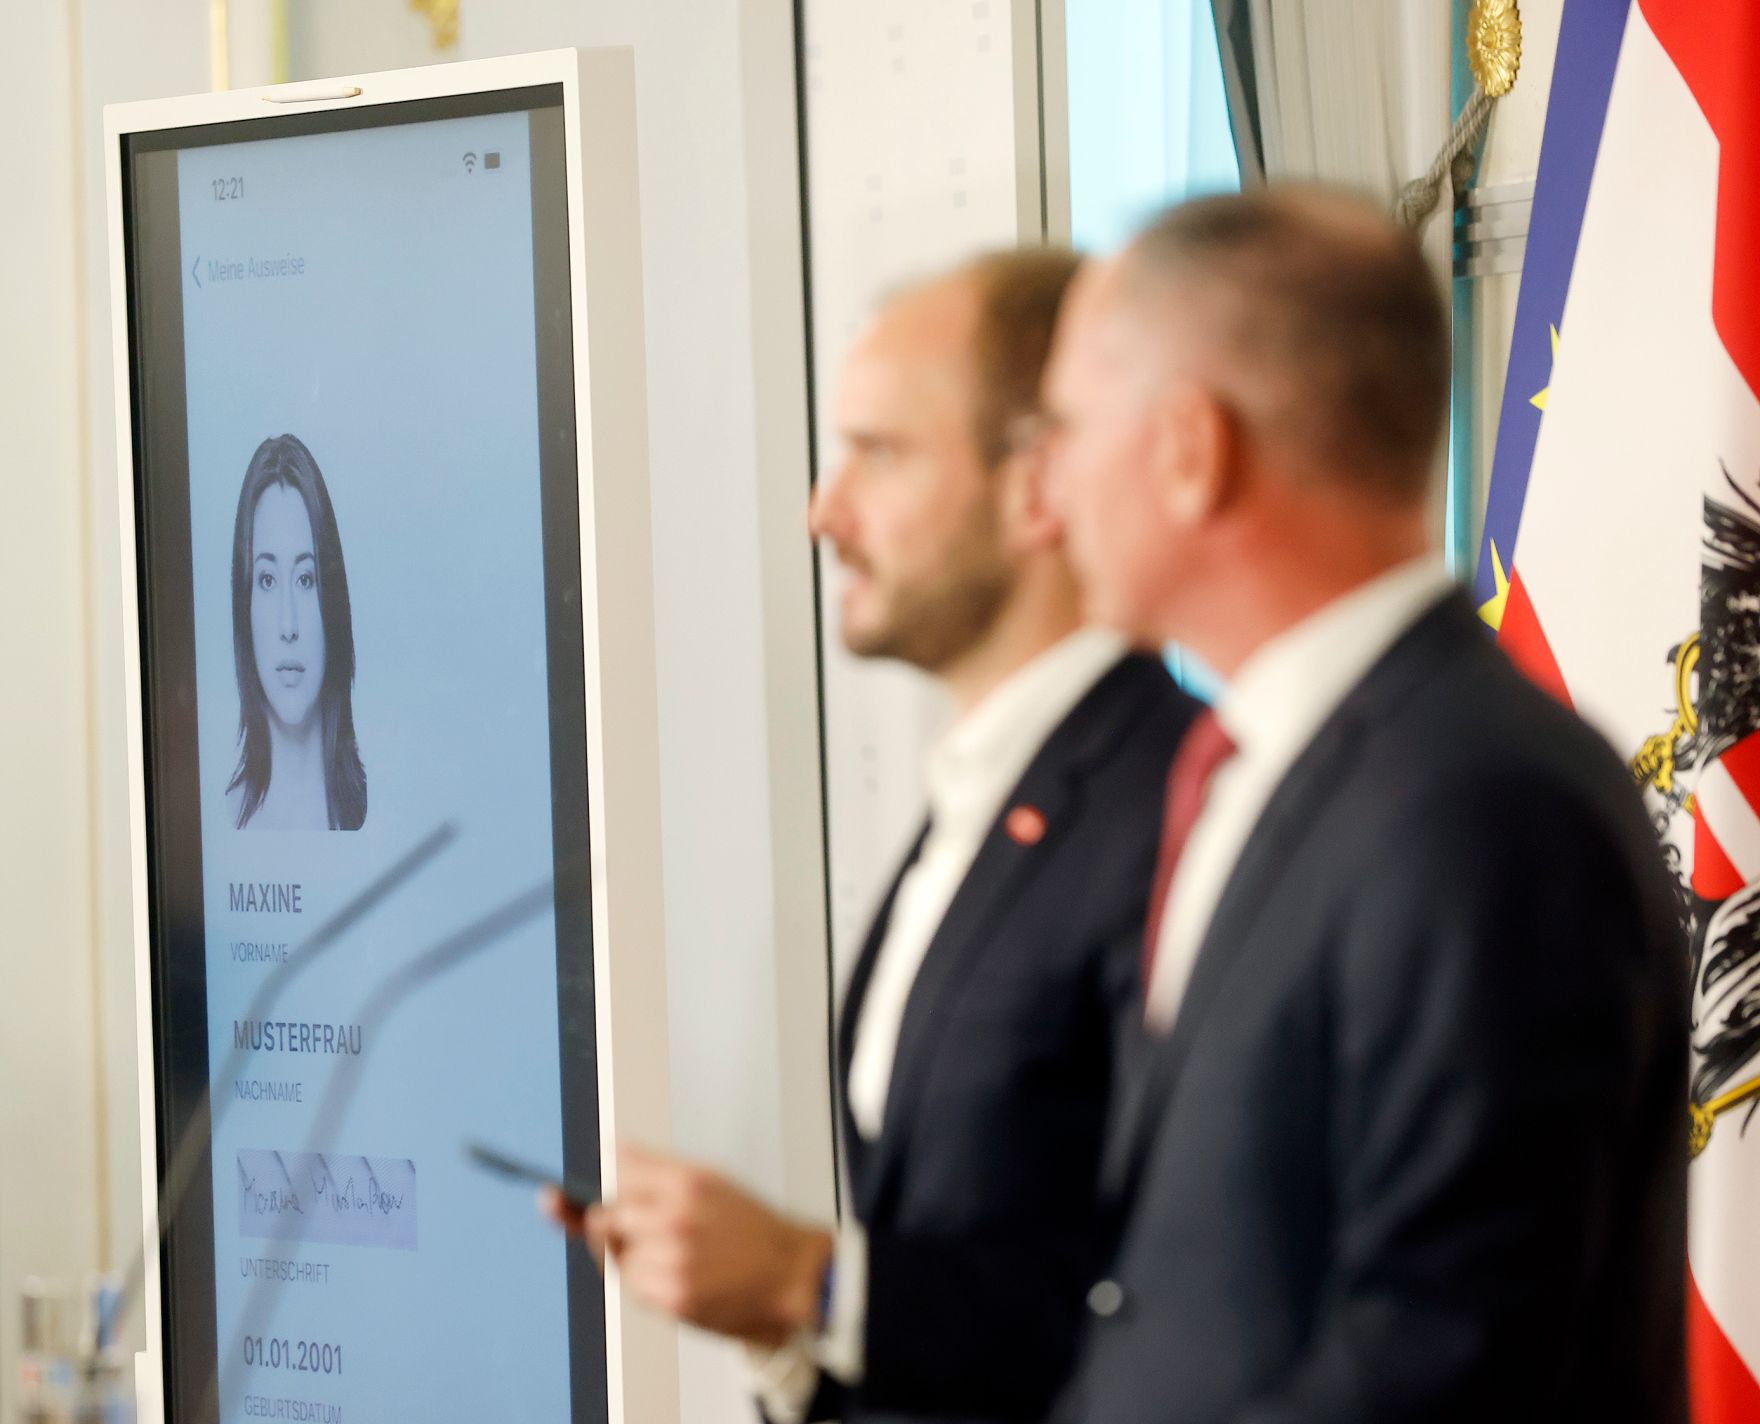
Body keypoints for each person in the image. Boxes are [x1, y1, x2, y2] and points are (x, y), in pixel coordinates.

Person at [1040, 187, 1688, 1420]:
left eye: (1064, 427)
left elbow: (1449, 1356)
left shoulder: (1480, 805)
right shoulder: (1288, 768)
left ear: (1190, 448)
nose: (1046, 489)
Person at [546, 249, 1199, 1423]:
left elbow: (1188, 1309)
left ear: (1036, 482)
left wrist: (813, 1274)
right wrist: (785, 1328)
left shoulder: (1182, 806)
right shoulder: (981, 796)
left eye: (879, 453)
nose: (822, 511)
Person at [226, 432, 368, 831]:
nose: (288, 626)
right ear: (244, 604)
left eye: (306, 579)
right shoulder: (222, 823)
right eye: (267, 580)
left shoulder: (377, 814)